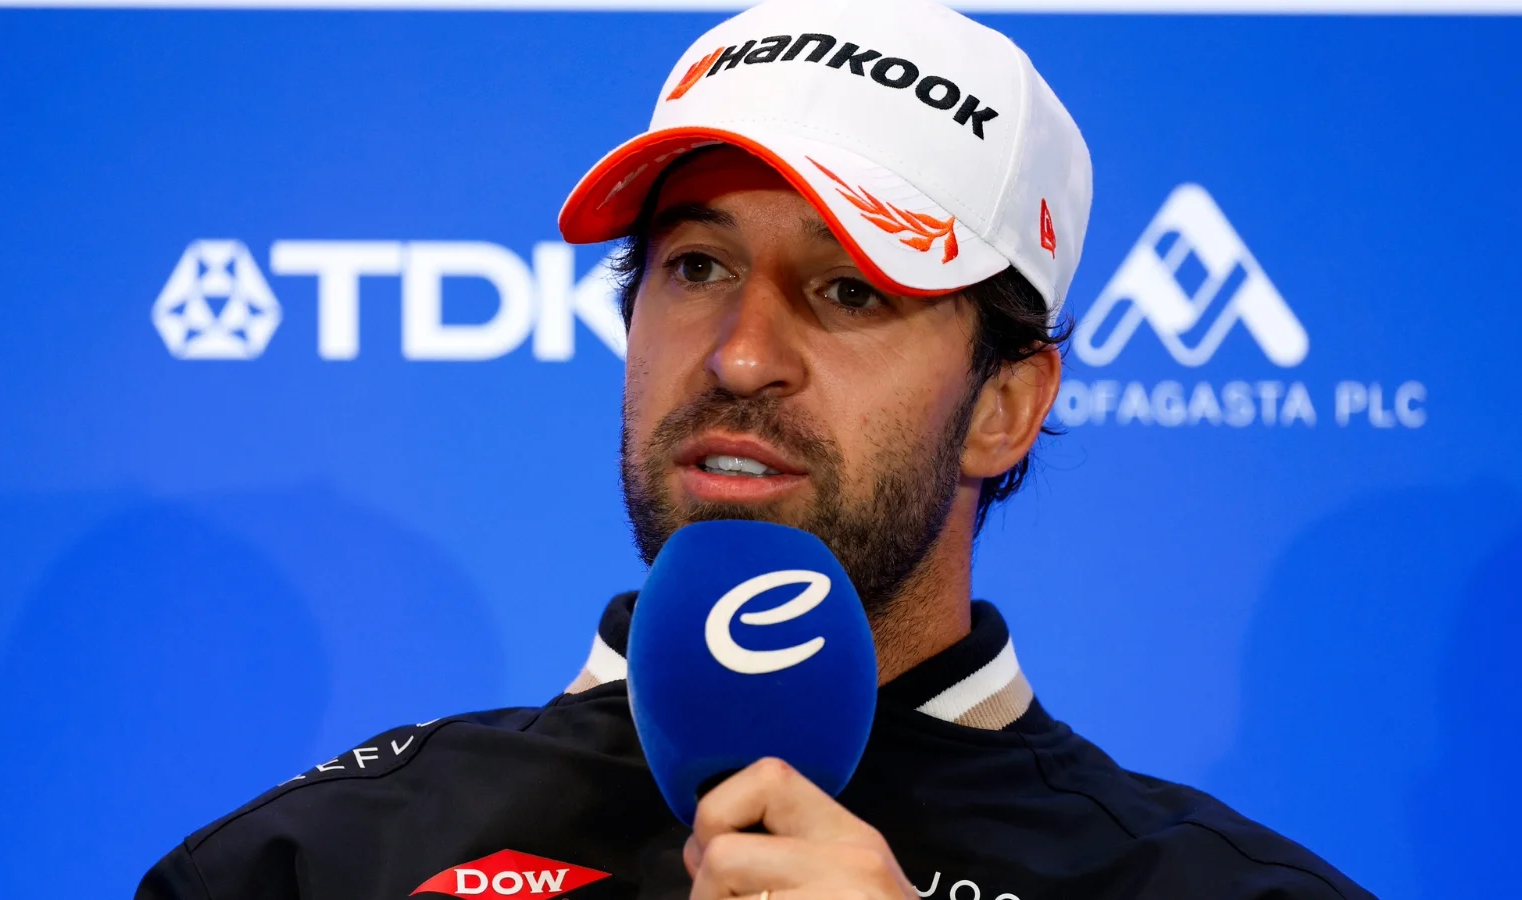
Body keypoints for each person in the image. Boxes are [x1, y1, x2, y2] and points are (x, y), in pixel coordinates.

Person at [137, 0, 1374, 898]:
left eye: (848, 290)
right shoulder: (318, 865)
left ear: (1005, 403)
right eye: (696, 267)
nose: (738, 356)